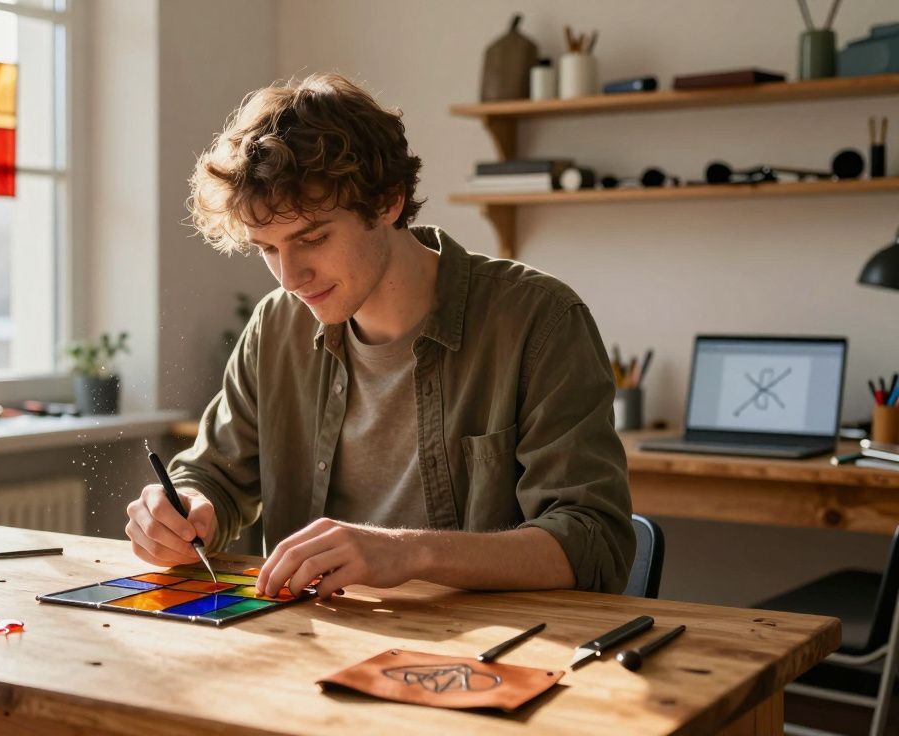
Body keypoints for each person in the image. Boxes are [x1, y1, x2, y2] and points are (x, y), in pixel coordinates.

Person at [125, 73, 634, 600]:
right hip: (308, 648)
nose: (290, 277)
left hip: (488, 656)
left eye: (313, 238)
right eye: (268, 249)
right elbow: (215, 478)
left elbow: (594, 543)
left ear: (389, 201)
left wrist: (410, 553)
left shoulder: (539, 320)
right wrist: (186, 509)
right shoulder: (276, 326)